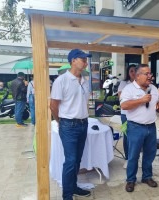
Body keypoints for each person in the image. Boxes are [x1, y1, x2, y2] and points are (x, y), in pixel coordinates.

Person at [50, 49, 92, 200]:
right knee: (70, 161)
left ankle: (73, 187)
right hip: (68, 125)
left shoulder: (85, 81)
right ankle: (67, 195)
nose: (86, 62)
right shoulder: (61, 80)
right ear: (73, 60)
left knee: (77, 160)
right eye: (83, 59)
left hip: (83, 124)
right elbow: (53, 105)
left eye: (86, 60)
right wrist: (61, 122)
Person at [120, 64, 159, 193]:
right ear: (138, 75)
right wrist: (141, 100)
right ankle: (130, 180)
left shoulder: (153, 88)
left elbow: (157, 104)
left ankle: (147, 177)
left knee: (149, 154)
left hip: (151, 127)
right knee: (133, 155)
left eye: (150, 73)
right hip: (135, 127)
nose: (150, 76)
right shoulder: (128, 89)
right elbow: (124, 105)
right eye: (146, 74)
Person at [117, 64, 136, 169]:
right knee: (126, 136)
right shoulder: (123, 83)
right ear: (128, 73)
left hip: (137, 114)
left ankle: (134, 158)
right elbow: (122, 98)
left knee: (135, 137)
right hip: (125, 115)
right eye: (131, 71)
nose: (133, 73)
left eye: (135, 71)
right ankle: (127, 158)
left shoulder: (140, 84)